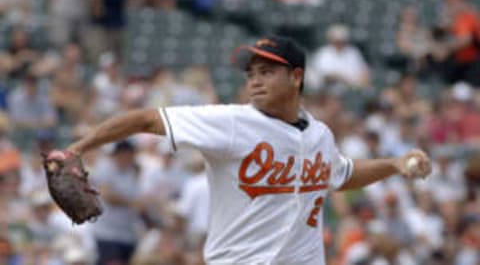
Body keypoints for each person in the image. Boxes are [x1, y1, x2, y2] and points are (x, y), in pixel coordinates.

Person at [56, 36, 431, 265]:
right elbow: (146, 119)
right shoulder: (232, 122)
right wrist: (78, 147)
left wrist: (395, 164)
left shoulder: (320, 135)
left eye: (267, 72)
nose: (254, 80)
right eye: (251, 73)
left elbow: (342, 174)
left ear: (296, 77)